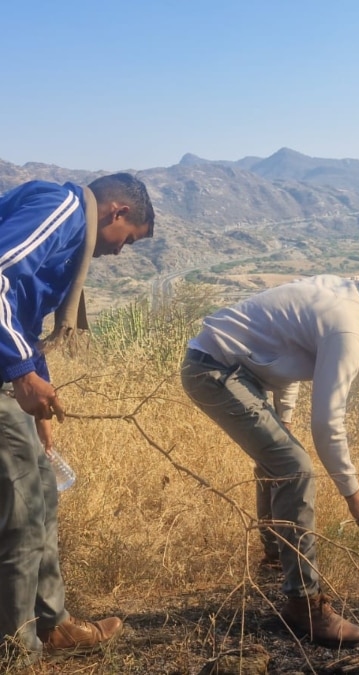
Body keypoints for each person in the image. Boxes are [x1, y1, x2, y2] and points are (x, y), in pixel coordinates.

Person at [179, 262, 359, 647]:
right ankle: (304, 603)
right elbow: (327, 421)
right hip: (217, 371)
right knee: (295, 466)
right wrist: (353, 495)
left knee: (281, 456)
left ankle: (276, 558)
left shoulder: (337, 292)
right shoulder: (348, 328)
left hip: (224, 365)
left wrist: (284, 418)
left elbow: (285, 350)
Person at [0, 173, 156, 668]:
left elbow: (21, 316)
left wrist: (38, 393)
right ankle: (17, 650)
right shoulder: (65, 211)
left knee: (42, 489)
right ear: (115, 212)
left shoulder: (72, 225)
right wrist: (23, 374)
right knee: (22, 514)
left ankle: (53, 624)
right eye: (128, 239)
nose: (120, 251)